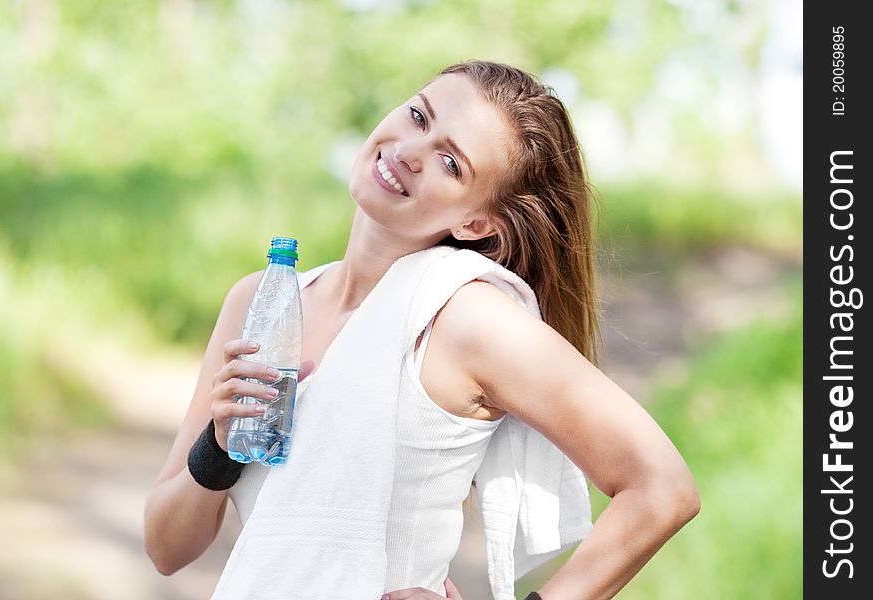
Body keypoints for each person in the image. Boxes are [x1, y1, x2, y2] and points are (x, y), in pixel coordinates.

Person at [144, 60, 700, 600]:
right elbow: (167, 549)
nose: (410, 152)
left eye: (451, 163)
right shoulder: (259, 302)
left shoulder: (464, 318)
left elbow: (661, 488)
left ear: (477, 222)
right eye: (418, 116)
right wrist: (219, 444)